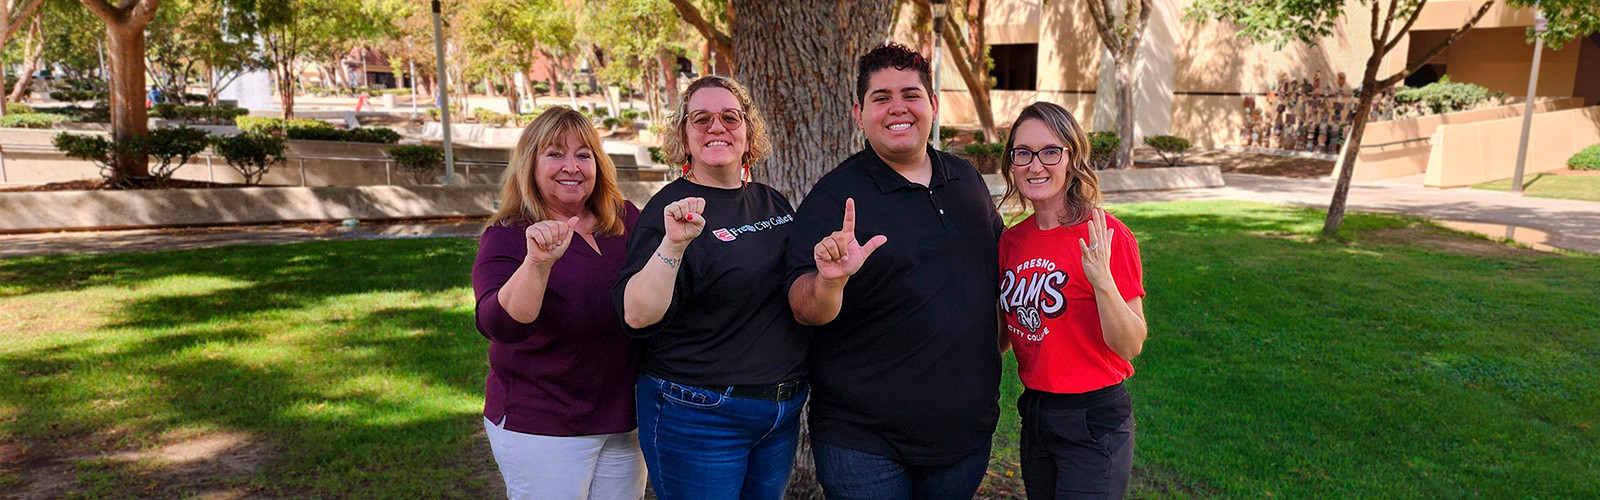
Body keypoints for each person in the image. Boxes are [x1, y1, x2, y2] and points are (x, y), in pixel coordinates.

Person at [785, 43, 1006, 500]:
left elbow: (994, 280)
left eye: (911, 94)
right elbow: (804, 308)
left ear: (933, 105)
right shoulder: (835, 198)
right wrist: (830, 280)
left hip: (964, 438)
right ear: (858, 113)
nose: (898, 108)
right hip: (864, 442)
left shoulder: (966, 181)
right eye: (881, 98)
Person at [614, 75, 808, 500]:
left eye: (729, 117)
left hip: (779, 414)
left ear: (747, 132)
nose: (716, 127)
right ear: (684, 137)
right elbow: (637, 313)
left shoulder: (772, 201)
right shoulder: (669, 211)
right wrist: (673, 244)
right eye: (701, 119)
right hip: (698, 415)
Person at [470, 107, 644, 500]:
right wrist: (537, 264)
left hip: (624, 420)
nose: (572, 166)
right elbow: (499, 325)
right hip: (545, 426)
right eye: (555, 154)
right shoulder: (508, 236)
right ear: (529, 164)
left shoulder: (624, 219)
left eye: (584, 154)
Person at [998, 101, 1148, 499]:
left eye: (1050, 151)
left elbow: (1130, 345)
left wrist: (1102, 281)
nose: (1035, 165)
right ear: (1011, 163)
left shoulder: (1107, 234)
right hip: (1036, 413)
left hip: (1093, 420)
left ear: (1072, 158)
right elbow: (1005, 334)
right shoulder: (1012, 241)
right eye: (1023, 153)